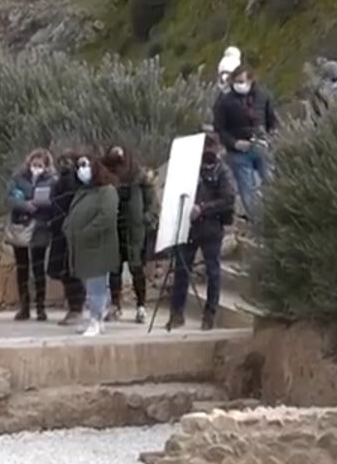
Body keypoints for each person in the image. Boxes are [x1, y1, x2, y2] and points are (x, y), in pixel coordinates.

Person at [166, 137, 237, 331]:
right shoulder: (190, 169)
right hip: (188, 227)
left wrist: (203, 208)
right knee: (181, 270)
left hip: (211, 227)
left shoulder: (222, 171)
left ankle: (209, 314)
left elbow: (228, 198)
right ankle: (177, 313)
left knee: (213, 272)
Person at [210, 64, 277, 228]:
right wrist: (234, 143)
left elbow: (272, 121)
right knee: (247, 190)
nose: (239, 85)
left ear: (251, 79)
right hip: (238, 152)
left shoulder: (263, 96)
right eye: (236, 81)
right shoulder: (224, 102)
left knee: (271, 182)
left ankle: (277, 216)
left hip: (261, 147)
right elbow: (219, 128)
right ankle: (259, 224)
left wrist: (269, 138)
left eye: (242, 81)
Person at [62, 153, 121, 337]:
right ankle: (97, 318)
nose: (82, 169)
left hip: (98, 247)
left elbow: (106, 217)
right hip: (82, 248)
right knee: (90, 287)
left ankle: (96, 319)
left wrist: (85, 233)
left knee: (97, 287)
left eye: (85, 165)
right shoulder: (85, 191)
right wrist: (68, 228)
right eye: (79, 166)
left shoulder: (108, 191)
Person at [104, 145, 155, 324]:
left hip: (135, 229)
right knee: (114, 269)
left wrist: (146, 217)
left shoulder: (140, 177)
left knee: (136, 267)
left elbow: (151, 202)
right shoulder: (106, 177)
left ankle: (141, 306)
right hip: (113, 227)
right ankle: (115, 306)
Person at [6, 149, 58, 322]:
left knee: (38, 268)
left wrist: (43, 204)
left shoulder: (52, 181)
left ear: (46, 166)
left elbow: (55, 201)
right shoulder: (18, 178)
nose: (37, 168)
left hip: (40, 226)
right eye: (34, 164)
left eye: (40, 165)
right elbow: (11, 198)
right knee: (22, 268)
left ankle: (41, 307)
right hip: (21, 225)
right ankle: (24, 307)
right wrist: (24, 205)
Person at [45, 147, 88, 326]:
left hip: (70, 231)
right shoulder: (61, 181)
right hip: (60, 230)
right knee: (66, 271)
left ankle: (76, 308)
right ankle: (75, 306)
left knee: (71, 272)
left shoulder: (74, 180)